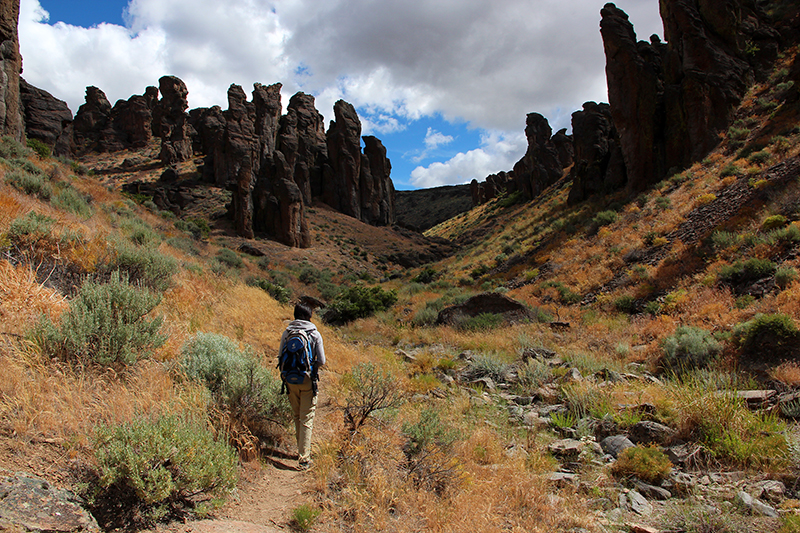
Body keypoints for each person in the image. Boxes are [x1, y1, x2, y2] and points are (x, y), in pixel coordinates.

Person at [279, 302, 325, 470]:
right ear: (309, 316)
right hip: (307, 379)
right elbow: (322, 360)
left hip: (290, 379)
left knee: (297, 415)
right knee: (307, 417)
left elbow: (279, 357)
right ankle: (304, 458)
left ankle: (301, 450)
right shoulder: (314, 334)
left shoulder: (287, 332)